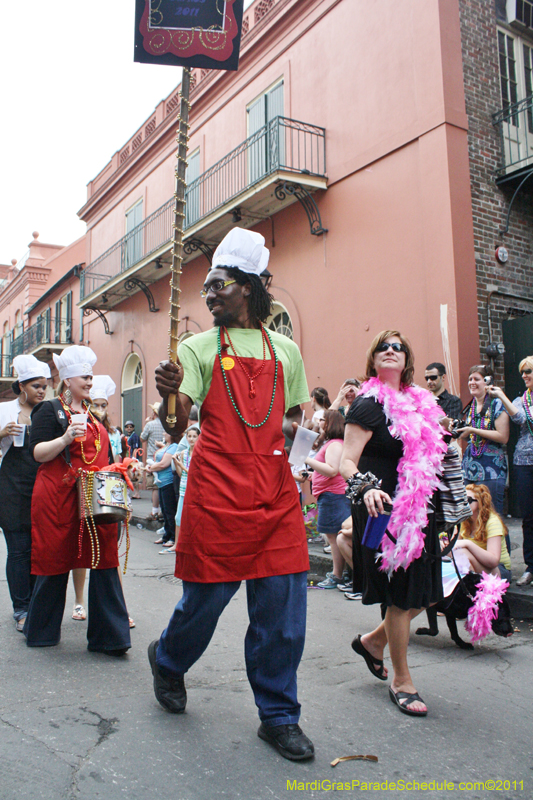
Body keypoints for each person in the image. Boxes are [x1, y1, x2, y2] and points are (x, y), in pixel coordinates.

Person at [148, 227, 314, 761]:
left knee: (282, 614)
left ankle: (279, 715)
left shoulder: (285, 349)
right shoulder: (195, 348)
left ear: (246, 286)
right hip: (216, 491)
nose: (209, 294)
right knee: (207, 601)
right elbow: (176, 428)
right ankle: (169, 659)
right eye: (206, 289)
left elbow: (291, 420)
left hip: (275, 493)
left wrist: (314, 440)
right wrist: (170, 394)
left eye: (218, 285)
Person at [340, 330, 447, 717]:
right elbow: (346, 461)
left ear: (406, 360)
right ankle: (402, 680)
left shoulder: (421, 404)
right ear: (373, 360)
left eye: (397, 347)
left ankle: (372, 642)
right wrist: (365, 487)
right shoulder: (368, 404)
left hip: (420, 511)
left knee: (429, 591)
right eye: (382, 347)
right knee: (401, 598)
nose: (389, 350)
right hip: (381, 511)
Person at [23, 345, 131, 655]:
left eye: (91, 376)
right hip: (58, 496)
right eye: (85, 376)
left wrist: (125, 469)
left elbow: (105, 461)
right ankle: (41, 631)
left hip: (93, 499)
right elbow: (37, 454)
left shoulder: (94, 416)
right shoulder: (49, 410)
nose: (90, 380)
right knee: (55, 559)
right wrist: (66, 438)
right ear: (68, 380)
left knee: (104, 558)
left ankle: (110, 638)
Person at [0, 355, 51, 631]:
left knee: (38, 549)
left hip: (41, 487)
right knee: (18, 550)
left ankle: (36, 604)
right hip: (10, 487)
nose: (42, 392)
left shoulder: (50, 411)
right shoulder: (4, 410)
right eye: (36, 387)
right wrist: (1, 433)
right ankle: (21, 608)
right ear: (21, 386)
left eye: (45, 386)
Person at [485, 356, 533, 586]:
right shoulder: (519, 400)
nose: (524, 376)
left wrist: (501, 396)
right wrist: (504, 397)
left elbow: (524, 417)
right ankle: (531, 567)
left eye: (529, 371)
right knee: (528, 516)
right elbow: (517, 418)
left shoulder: (515, 402)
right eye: (522, 372)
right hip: (523, 463)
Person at [304, 410, 351, 588]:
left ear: (331, 423)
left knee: (334, 538)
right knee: (334, 537)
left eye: (323, 420)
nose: (320, 422)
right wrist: (313, 474)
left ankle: (337, 575)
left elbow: (332, 470)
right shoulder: (333, 443)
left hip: (333, 496)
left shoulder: (335, 444)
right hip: (330, 495)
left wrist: (307, 459)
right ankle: (340, 574)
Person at [458, 365, 509, 516]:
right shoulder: (470, 406)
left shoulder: (497, 404)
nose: (472, 382)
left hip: (491, 471)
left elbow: (503, 436)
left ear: (487, 382)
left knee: (493, 517)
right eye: (470, 379)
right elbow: (471, 437)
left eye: (477, 379)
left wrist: (473, 430)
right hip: (469, 470)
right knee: (472, 518)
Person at [455, 484, 512, 582]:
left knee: (464, 554)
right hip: (478, 565)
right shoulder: (464, 520)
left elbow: (494, 561)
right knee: (458, 554)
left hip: (500, 570)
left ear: (480, 502)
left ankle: (472, 587)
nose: (464, 504)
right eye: (461, 499)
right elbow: (454, 548)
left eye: (468, 500)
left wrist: (468, 544)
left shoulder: (492, 521)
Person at [164, 425, 201, 554]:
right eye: (189, 436)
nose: (191, 439)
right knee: (178, 517)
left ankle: (193, 545)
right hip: (183, 488)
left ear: (199, 438)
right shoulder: (184, 453)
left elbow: (194, 473)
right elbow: (181, 474)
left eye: (194, 437)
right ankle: (177, 544)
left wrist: (179, 464)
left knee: (194, 518)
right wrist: (177, 462)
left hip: (196, 490)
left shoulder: (200, 454)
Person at [146, 433, 179, 548]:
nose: (164, 433)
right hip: (161, 483)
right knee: (164, 511)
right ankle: (167, 535)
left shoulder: (174, 446)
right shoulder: (166, 446)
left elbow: (164, 464)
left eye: (166, 432)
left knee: (170, 511)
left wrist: (151, 467)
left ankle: (173, 537)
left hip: (168, 481)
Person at [141, 402, 166, 519]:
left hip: (152, 458)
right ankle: (163, 511)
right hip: (165, 456)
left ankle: (154, 512)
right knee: (165, 484)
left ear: (154, 413)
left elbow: (142, 438)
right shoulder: (166, 424)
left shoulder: (150, 425)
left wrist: (147, 423)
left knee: (155, 487)